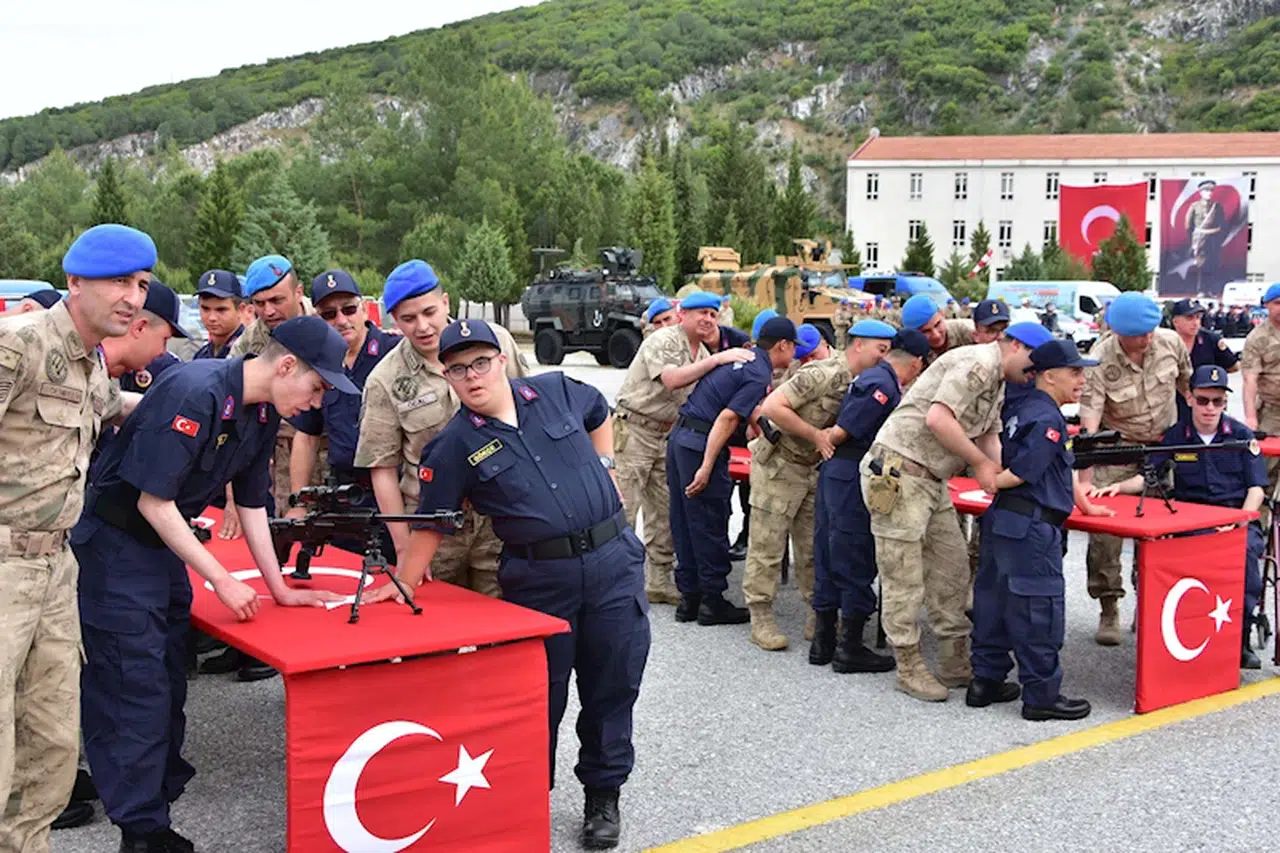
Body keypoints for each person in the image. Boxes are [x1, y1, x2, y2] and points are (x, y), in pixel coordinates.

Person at [363, 319, 649, 851]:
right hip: (541, 582)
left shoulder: (557, 391)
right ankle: (525, 798)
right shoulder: (452, 447)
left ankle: (603, 794)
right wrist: (403, 584)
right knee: (539, 697)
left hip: (613, 564)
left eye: (480, 363)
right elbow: (432, 522)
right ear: (447, 376)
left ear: (501, 360)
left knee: (613, 686)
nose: (471, 377)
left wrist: (606, 463)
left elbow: (600, 413)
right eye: (457, 369)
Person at [73, 317, 351, 853]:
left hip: (160, 547)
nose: (314, 402)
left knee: (169, 677)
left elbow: (251, 503)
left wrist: (281, 588)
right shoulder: (197, 390)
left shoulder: (264, 409)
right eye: (316, 387)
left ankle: (152, 805)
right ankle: (141, 831)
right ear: (286, 365)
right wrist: (222, 580)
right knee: (134, 686)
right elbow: (152, 502)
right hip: (116, 546)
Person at [0, 223, 151, 852]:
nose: (134, 298)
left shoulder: (89, 364)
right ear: (75, 281)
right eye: (119, 281)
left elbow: (114, 405)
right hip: (3, 566)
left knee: (54, 745)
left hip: (56, 570)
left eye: (142, 285)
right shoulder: (19, 347)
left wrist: (209, 392)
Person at [861, 322, 1053, 702]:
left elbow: (988, 434)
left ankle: (953, 660)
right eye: (1033, 362)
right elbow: (939, 418)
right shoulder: (978, 362)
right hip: (901, 473)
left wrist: (999, 475)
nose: (1034, 373)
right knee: (904, 574)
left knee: (952, 568)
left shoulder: (999, 380)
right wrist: (980, 465)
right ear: (1014, 345)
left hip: (933, 479)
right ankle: (909, 665)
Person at [354, 259, 527, 597]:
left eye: (429, 312)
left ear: (446, 302)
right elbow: (383, 468)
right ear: (394, 320)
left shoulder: (496, 344)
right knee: (437, 623)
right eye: (408, 318)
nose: (422, 326)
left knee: (507, 618)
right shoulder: (385, 379)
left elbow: (530, 418)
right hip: (434, 525)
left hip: (500, 516)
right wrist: (406, 549)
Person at [969, 339, 1113, 722]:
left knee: (994, 602)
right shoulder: (1048, 420)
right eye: (1075, 372)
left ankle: (985, 681)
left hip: (1005, 521)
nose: (1081, 380)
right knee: (1039, 611)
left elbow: (1057, 469)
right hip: (1031, 526)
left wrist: (1085, 504)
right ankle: (1041, 696)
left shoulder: (1023, 408)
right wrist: (994, 481)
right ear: (1049, 376)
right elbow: (1022, 472)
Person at [1092, 364, 1266, 669]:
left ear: (1225, 403)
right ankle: (1183, 632)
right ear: (1189, 398)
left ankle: (1239, 639)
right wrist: (1116, 487)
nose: (1210, 408)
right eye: (1203, 400)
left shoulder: (1240, 435)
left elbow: (1256, 489)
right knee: (1173, 559)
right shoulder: (1178, 435)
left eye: (1217, 401)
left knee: (1247, 559)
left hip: (1234, 518)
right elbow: (1149, 476)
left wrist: (1240, 518)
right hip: (1191, 521)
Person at [613, 290, 755, 604]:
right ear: (683, 316)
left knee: (664, 513)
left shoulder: (703, 353)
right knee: (624, 511)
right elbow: (672, 379)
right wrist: (719, 358)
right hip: (635, 429)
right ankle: (616, 586)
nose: (707, 319)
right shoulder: (664, 340)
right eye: (700, 312)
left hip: (668, 434)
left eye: (712, 314)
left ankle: (659, 582)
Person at [808, 324, 929, 672]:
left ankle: (824, 641)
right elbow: (847, 429)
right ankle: (849, 647)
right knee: (854, 554)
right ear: (917, 363)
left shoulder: (873, 377)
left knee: (830, 552)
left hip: (838, 474)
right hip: (851, 473)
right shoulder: (882, 383)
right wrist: (832, 436)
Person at [1077, 292, 1191, 646]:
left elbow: (1188, 388)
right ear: (1117, 332)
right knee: (1106, 539)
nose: (1148, 338)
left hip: (1162, 450)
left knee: (1161, 535)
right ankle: (1109, 606)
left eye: (1151, 330)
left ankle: (1150, 605)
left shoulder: (1170, 342)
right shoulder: (1099, 358)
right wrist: (1085, 475)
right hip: (1118, 451)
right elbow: (1091, 416)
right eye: (1140, 334)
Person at [668, 316, 798, 625]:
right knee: (710, 519)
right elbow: (727, 419)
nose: (795, 355)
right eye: (794, 348)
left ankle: (690, 599)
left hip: (679, 439)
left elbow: (745, 408)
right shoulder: (758, 372)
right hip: (701, 443)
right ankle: (712, 601)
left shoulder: (744, 358)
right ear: (783, 345)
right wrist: (707, 465)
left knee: (685, 519)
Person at [741, 321, 840, 650]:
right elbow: (766, 409)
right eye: (801, 354)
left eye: (812, 353)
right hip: (779, 465)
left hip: (812, 468)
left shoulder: (842, 373)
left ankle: (817, 612)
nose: (806, 360)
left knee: (812, 547)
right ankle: (761, 615)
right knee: (767, 544)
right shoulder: (795, 373)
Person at [287, 270, 397, 527]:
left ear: (364, 309)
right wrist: (299, 503)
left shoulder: (394, 355)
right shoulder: (317, 364)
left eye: (348, 309)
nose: (341, 320)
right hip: (342, 495)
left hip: (394, 493)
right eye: (329, 314)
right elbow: (306, 435)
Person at [1171, 298, 1238, 420]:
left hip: (1206, 404)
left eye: (1198, 317)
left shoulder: (1211, 340)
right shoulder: (1167, 343)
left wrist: (1213, 377)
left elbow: (1233, 365)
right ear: (1176, 321)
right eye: (1189, 318)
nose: (1195, 323)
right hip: (1174, 404)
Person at [1241, 284, 1280, 491]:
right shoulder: (1257, 338)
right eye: (1277, 303)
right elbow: (1250, 379)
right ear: (1266, 305)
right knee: (1266, 472)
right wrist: (1250, 417)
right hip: (1272, 413)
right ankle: (1263, 521)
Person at [899, 293, 974, 365]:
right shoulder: (909, 352)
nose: (936, 335)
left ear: (942, 314)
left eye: (937, 324)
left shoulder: (969, 330)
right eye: (926, 331)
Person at [191, 270, 246, 360]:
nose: (212, 318)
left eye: (221, 310)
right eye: (205, 309)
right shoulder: (201, 355)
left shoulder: (250, 351)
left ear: (240, 310)